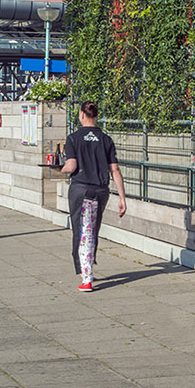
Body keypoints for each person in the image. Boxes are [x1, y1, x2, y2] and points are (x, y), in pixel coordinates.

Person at [61, 101, 126, 292]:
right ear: (96, 116)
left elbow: (71, 166)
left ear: (82, 114)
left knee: (82, 232)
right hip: (101, 190)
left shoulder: (73, 138)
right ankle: (87, 267)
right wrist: (122, 198)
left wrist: (58, 169)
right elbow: (115, 170)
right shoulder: (106, 139)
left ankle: (86, 278)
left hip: (81, 190)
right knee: (92, 230)